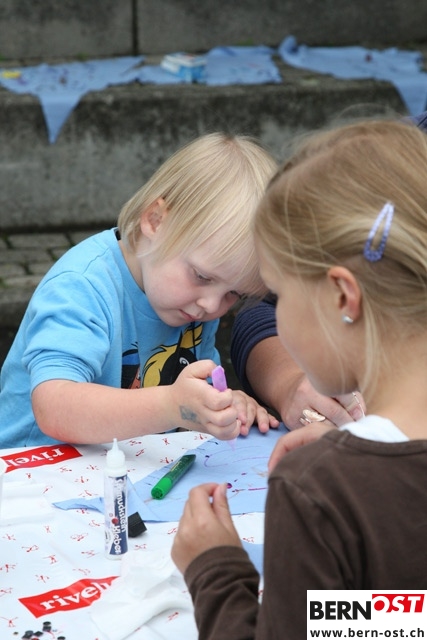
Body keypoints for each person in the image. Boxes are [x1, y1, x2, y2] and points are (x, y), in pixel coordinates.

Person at [171, 117, 427, 638]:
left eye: (281, 295)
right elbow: (409, 617)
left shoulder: (318, 492)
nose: (273, 316)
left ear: (342, 297)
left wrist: (216, 570)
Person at [0, 132, 279, 448]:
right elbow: (54, 408)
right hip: (30, 467)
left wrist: (220, 406)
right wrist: (170, 405)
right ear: (156, 220)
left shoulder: (194, 303)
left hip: (120, 465)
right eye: (202, 276)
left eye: (234, 295)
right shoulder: (82, 286)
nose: (212, 306)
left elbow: (190, 400)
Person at [230, 109, 427, 431]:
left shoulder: (322, 472)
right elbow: (259, 314)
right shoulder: (398, 158)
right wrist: (288, 383)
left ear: (342, 297)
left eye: (280, 293)